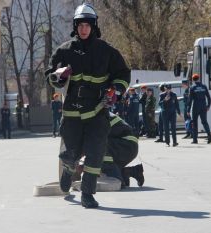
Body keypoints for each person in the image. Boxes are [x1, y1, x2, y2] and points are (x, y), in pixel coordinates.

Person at [45, 3, 130, 208]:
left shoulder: (106, 51)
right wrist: (57, 77)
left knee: (95, 152)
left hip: (97, 112)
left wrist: (116, 90)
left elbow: (123, 74)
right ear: (75, 27)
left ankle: (87, 194)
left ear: (93, 26)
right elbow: (49, 75)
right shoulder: (64, 51)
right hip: (72, 112)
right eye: (80, 25)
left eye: (87, 25)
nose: (83, 29)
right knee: (70, 153)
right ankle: (67, 168)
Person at [101, 113, 144, 188]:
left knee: (99, 146)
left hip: (126, 145)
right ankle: (130, 172)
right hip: (127, 146)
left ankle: (115, 178)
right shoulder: (100, 112)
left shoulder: (98, 117)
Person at [187, 74, 211, 144]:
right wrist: (208, 106)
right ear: (199, 78)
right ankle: (209, 136)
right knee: (204, 122)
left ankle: (195, 140)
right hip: (203, 106)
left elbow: (190, 100)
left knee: (195, 123)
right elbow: (209, 97)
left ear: (193, 79)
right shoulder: (204, 86)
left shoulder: (192, 88)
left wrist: (188, 110)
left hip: (195, 107)